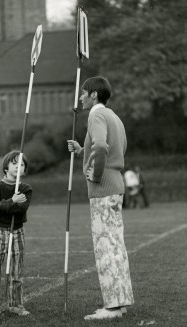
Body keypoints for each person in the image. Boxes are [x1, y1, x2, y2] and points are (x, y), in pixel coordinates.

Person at [67, 76, 134, 320]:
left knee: (106, 248)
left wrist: (95, 175)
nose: (81, 97)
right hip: (116, 187)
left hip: (104, 188)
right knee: (116, 246)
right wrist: (82, 151)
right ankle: (120, 302)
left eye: (84, 93)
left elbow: (103, 149)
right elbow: (116, 149)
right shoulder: (113, 116)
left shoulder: (95, 115)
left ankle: (113, 307)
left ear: (94, 94)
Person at [0, 150, 33, 318]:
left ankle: (15, 304)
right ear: (6, 167)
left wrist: (1, 205)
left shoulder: (25, 188)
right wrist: (11, 202)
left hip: (17, 232)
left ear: (25, 170)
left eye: (22, 164)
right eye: (15, 163)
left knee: (17, 272)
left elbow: (21, 210)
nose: (19, 166)